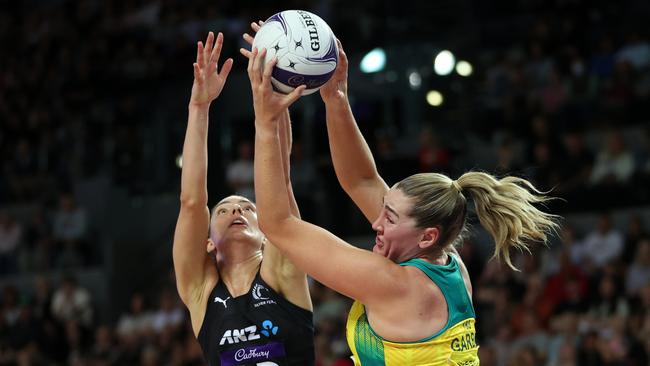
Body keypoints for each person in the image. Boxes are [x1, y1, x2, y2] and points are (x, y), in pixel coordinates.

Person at [245, 40, 559, 365]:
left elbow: (277, 224)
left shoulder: (396, 285)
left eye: (390, 218)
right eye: (384, 209)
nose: (376, 223)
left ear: (427, 236)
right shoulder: (446, 263)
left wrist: (266, 123)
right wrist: (336, 98)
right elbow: (361, 180)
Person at [173, 31, 314, 366]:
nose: (236, 208)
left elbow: (280, 178)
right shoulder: (200, 290)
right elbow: (192, 201)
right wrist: (199, 106)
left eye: (249, 208)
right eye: (223, 209)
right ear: (208, 242)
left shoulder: (281, 273)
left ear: (267, 235)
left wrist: (274, 91)